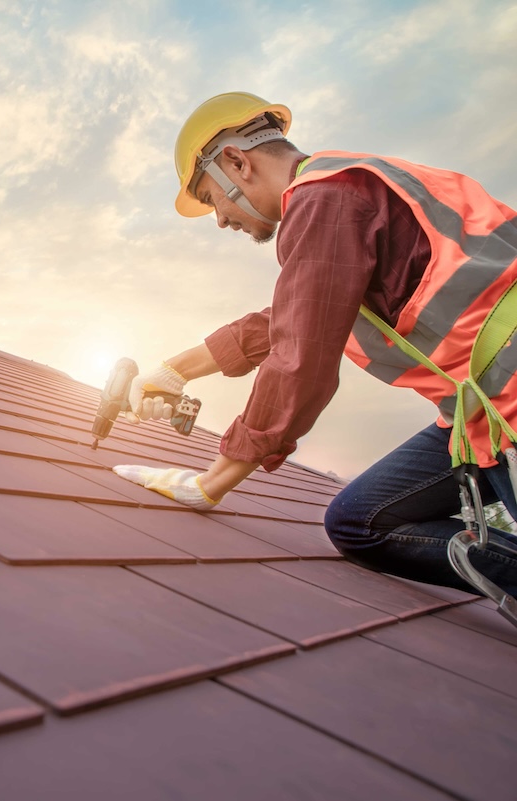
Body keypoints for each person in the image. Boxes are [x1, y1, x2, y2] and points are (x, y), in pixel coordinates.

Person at [112, 91, 517, 597]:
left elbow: (299, 357)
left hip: (508, 399)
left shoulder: (324, 199)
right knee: (358, 522)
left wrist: (211, 482)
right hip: (480, 411)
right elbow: (294, 314)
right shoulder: (340, 187)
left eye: (210, 197)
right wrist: (174, 372)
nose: (219, 220)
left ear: (237, 163)